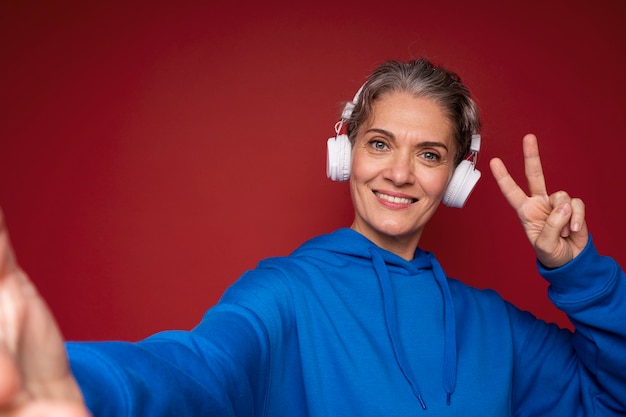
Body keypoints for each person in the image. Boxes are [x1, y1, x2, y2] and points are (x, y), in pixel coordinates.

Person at [0, 58, 624, 416]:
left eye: (429, 154)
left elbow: (610, 397)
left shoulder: (497, 330)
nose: (399, 173)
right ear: (344, 153)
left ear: (458, 179)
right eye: (380, 144)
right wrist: (71, 384)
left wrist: (580, 273)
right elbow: (197, 369)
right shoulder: (285, 292)